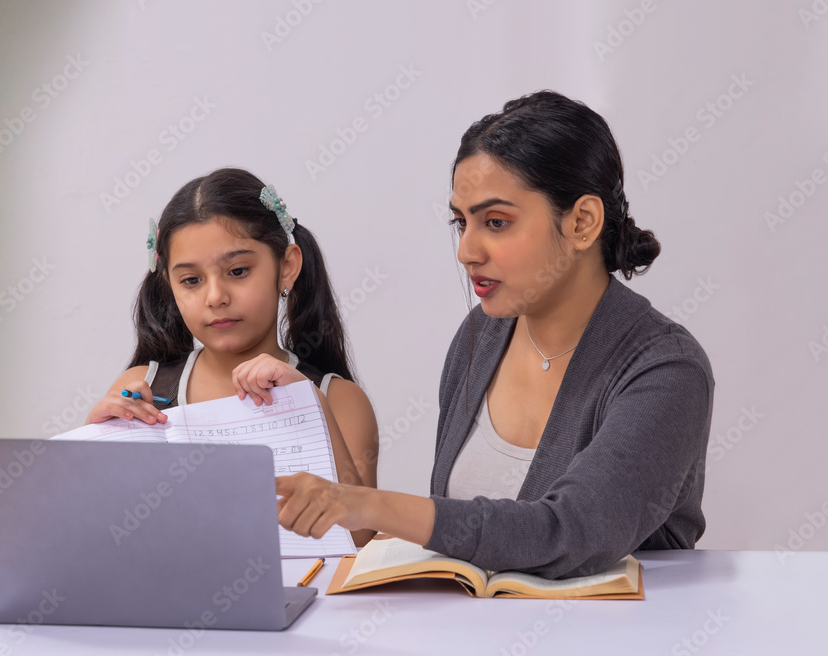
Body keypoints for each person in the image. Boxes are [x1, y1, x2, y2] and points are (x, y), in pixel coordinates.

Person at [271, 91, 715, 579]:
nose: (466, 250)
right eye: (461, 222)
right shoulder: (481, 335)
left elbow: (567, 533)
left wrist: (370, 506)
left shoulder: (666, 369)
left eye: (496, 222)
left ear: (582, 222)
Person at [85, 167, 379, 546]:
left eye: (238, 271)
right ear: (169, 285)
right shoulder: (139, 387)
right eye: (191, 280)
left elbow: (361, 539)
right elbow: (98, 539)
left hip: (306, 603)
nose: (215, 296)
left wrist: (310, 404)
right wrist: (94, 447)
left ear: (286, 266)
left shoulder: (338, 399)